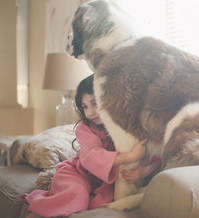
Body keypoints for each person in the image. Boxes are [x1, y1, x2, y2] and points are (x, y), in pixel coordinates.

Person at [26, 75, 161, 218]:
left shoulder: (126, 126)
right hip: (78, 173)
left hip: (104, 183)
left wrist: (144, 172)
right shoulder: (85, 129)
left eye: (94, 103)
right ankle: (42, 209)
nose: (90, 112)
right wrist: (130, 157)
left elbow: (155, 155)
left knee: (105, 202)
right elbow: (92, 156)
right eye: (85, 107)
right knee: (77, 197)